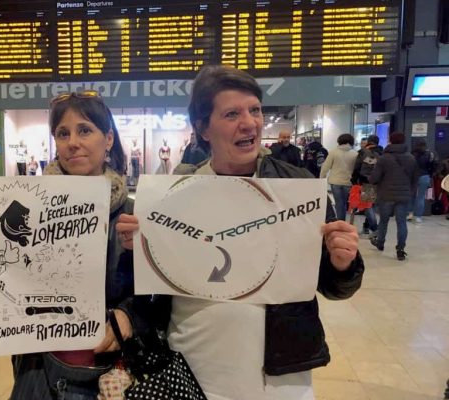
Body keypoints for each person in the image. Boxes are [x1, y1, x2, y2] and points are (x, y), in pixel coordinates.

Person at [116, 65, 364, 400]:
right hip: (191, 366)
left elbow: (333, 287)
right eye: (232, 113)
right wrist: (137, 249)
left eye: (255, 110)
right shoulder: (173, 194)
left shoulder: (297, 186)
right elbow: (150, 290)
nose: (249, 122)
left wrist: (342, 262)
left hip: (279, 376)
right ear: (203, 128)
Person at [0, 91, 148, 399]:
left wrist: (128, 313)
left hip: (110, 376)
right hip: (40, 372)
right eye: (63, 133)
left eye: (85, 130)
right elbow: (5, 286)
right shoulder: (21, 206)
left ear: (109, 139)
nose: (73, 142)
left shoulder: (130, 215)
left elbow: (156, 301)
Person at [369, 132, 418, 261]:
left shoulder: (384, 158)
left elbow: (374, 178)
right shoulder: (411, 158)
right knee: (401, 222)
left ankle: (380, 243)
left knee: (384, 221)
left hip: (386, 195)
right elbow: (414, 180)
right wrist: (410, 193)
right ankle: (400, 249)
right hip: (403, 196)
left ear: (390, 141)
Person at [320, 134, 358, 221]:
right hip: (348, 182)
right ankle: (342, 221)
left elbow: (326, 166)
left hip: (335, 182)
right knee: (344, 202)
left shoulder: (333, 152)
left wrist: (322, 178)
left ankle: (341, 221)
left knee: (338, 203)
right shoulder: (355, 154)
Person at [351, 134, 382, 236]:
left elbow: (357, 167)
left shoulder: (364, 152)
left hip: (367, 182)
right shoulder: (382, 152)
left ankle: (375, 228)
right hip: (380, 182)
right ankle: (366, 227)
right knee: (371, 204)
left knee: (367, 206)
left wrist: (354, 180)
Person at [408, 140, 437, 223]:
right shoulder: (430, 154)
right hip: (425, 176)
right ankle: (418, 217)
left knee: (411, 196)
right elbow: (433, 165)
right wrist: (430, 174)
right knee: (420, 197)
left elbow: (409, 166)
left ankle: (410, 214)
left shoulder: (412, 154)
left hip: (413, 177)